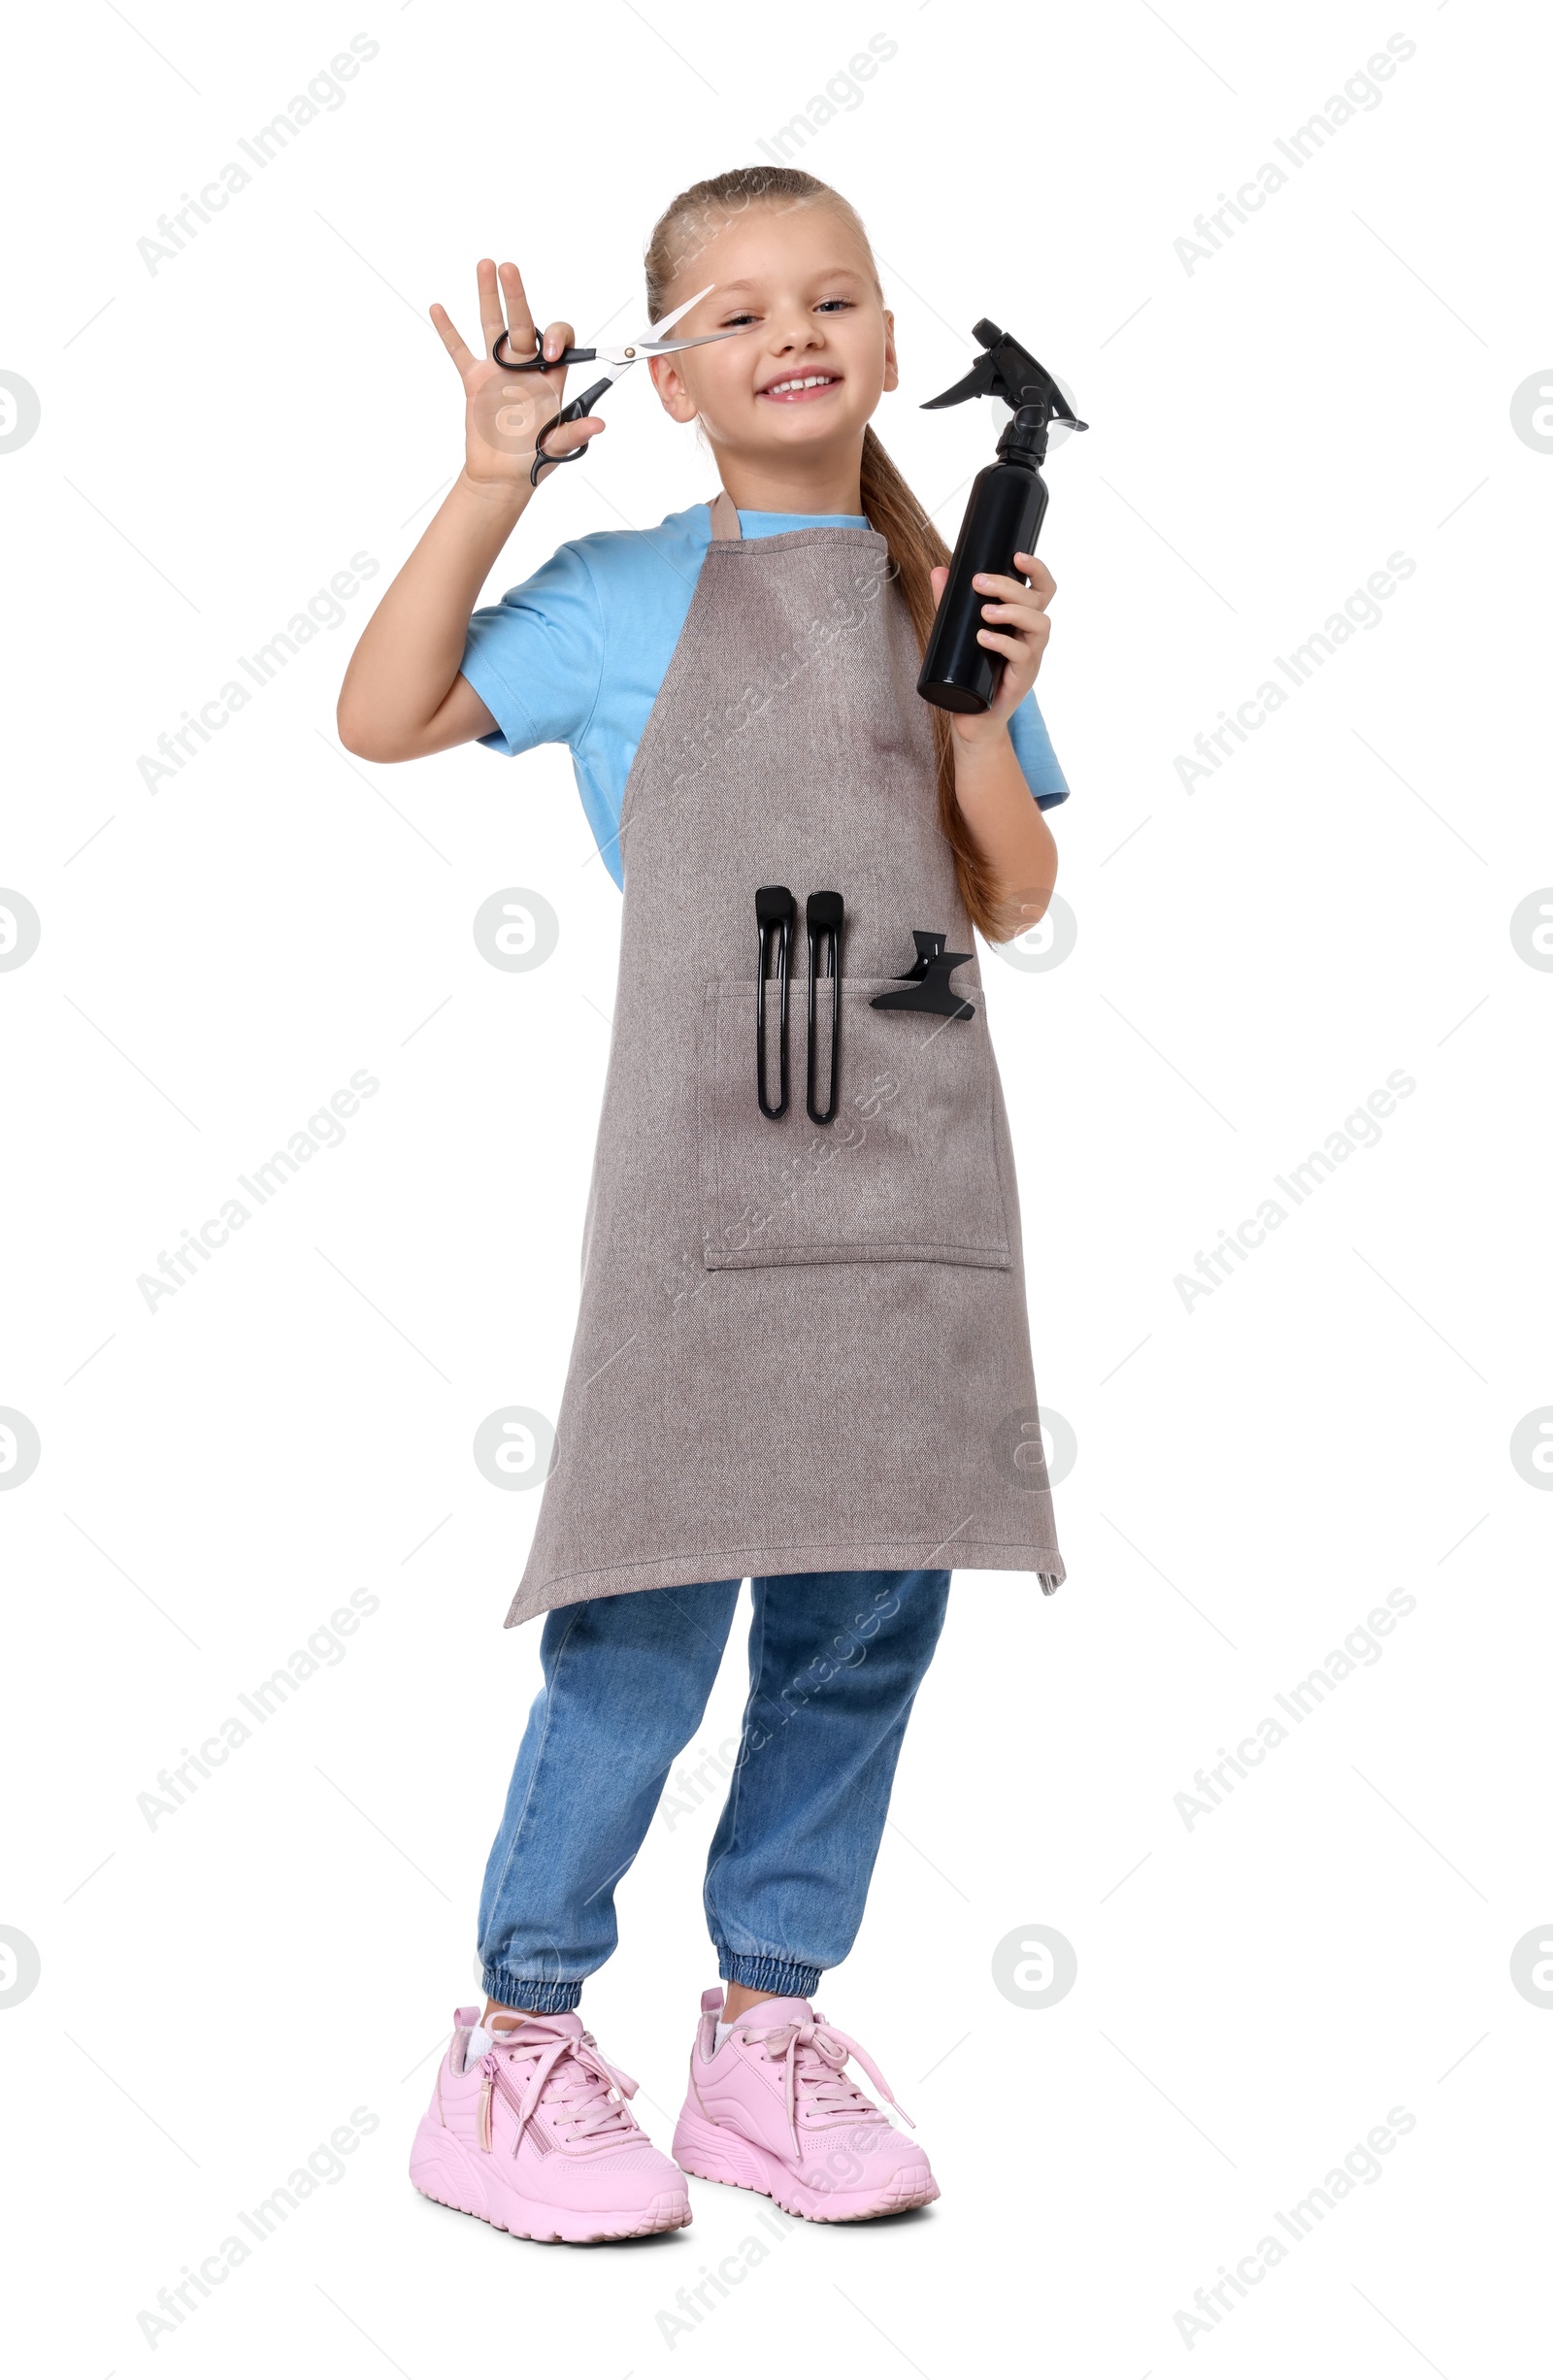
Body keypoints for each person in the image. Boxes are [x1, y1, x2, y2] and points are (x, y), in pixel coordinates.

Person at [338, 163, 1069, 2244]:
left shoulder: (955, 593)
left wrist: (985, 705)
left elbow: (1005, 894)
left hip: (913, 1186)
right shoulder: (615, 595)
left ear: (892, 346)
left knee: (860, 1627)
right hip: (700, 1190)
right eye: (734, 312)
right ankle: (516, 2041)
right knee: (640, 1625)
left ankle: (763, 2036)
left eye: (831, 295)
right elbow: (381, 715)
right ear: (664, 378)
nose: (792, 330)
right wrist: (488, 474)